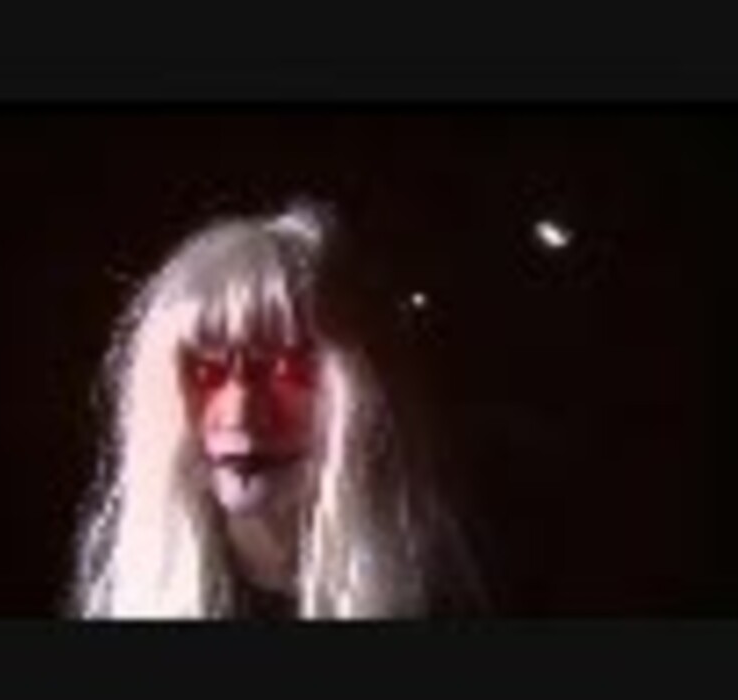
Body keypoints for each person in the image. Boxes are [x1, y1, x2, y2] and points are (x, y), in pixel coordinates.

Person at [71, 198, 487, 619]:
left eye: (288, 370)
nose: (239, 415)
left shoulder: (449, 594)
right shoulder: (131, 594)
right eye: (205, 370)